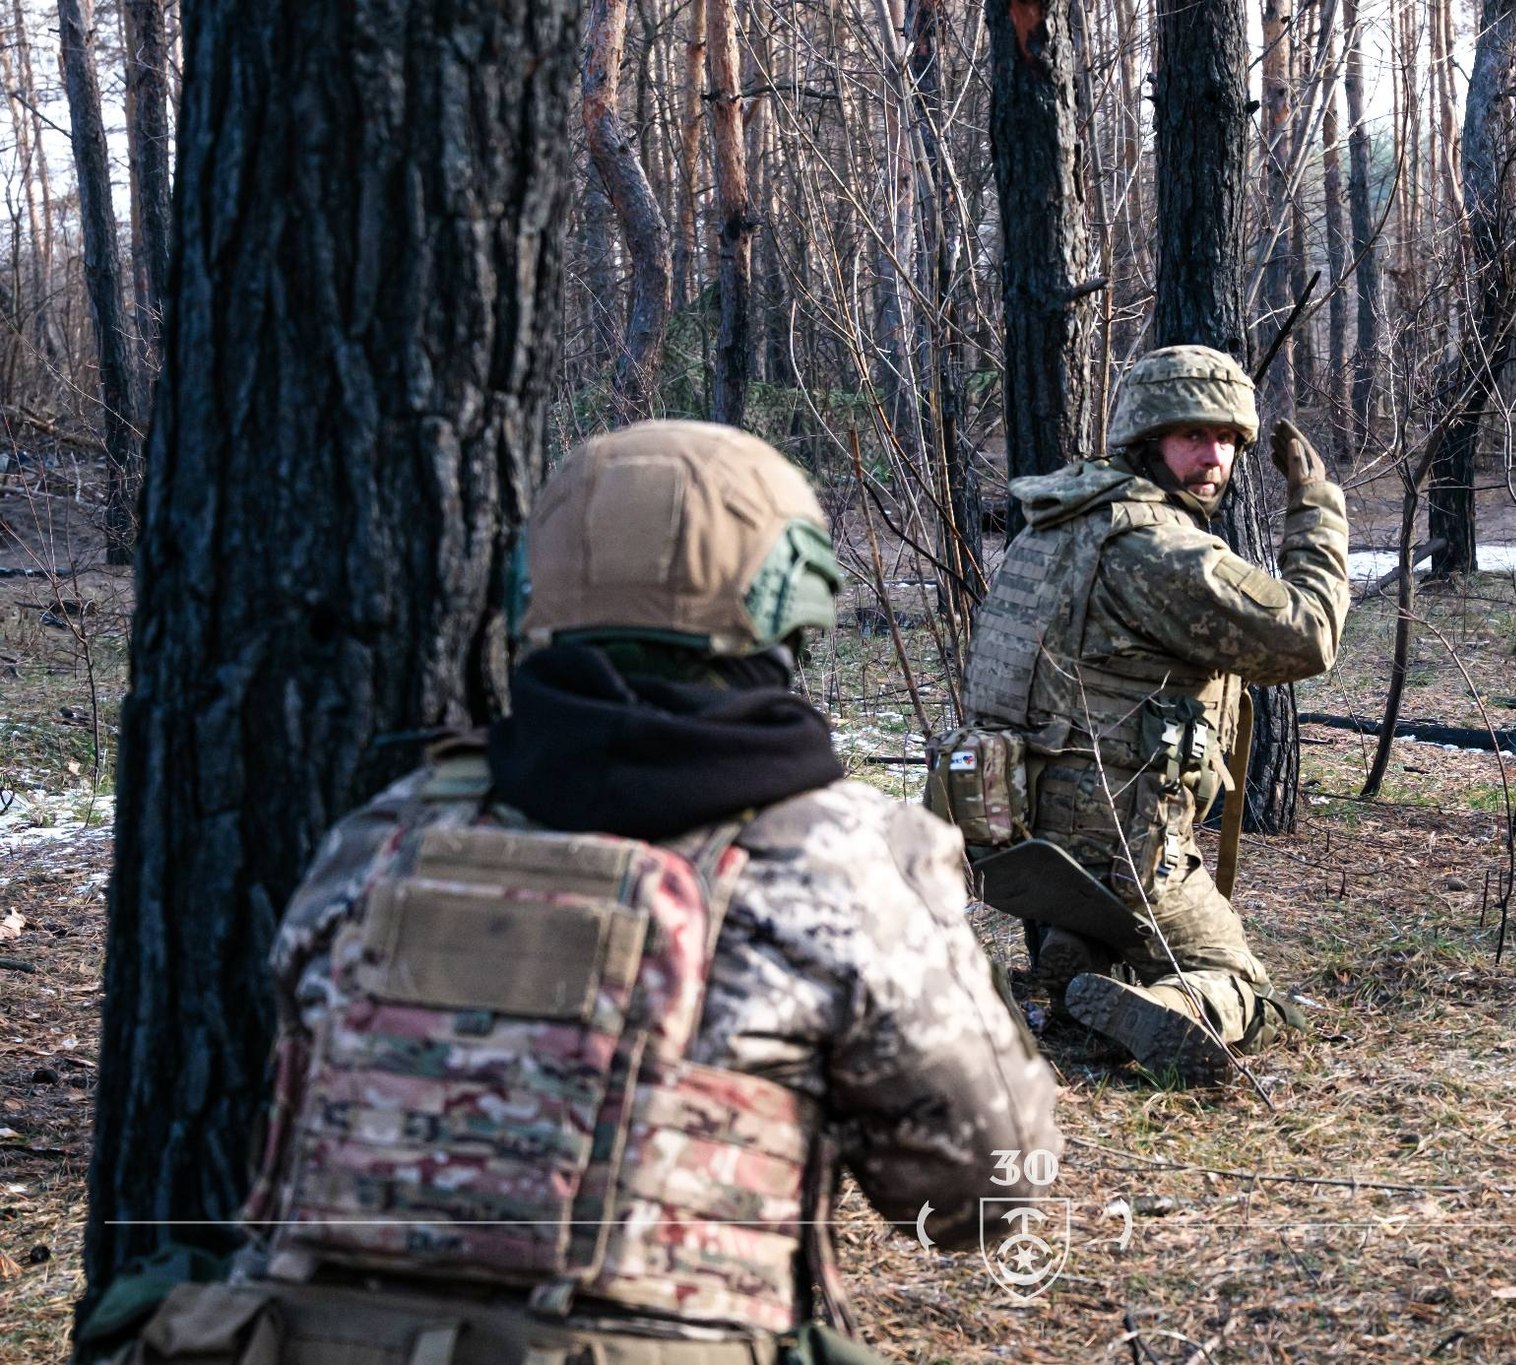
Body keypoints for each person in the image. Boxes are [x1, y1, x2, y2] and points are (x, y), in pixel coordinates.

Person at [99, 422, 1062, 1364]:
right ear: (788, 605)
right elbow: (987, 1190)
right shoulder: (839, 859)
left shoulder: (388, 831)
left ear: (538, 595)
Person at [957, 345, 1350, 1084]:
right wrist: (1318, 508)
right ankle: (1169, 999)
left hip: (1010, 828)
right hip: (1121, 842)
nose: (1215, 456)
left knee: (1104, 926)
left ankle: (1080, 952)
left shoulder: (1057, 520)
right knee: (1242, 985)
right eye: (1192, 435)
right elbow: (1306, 635)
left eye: (1229, 439)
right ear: (1147, 440)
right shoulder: (1158, 548)